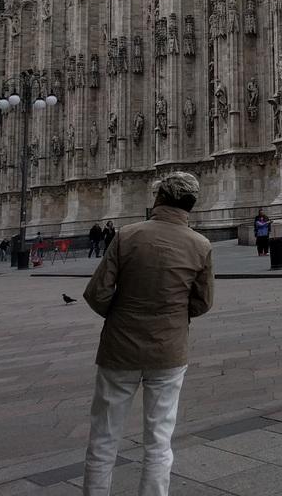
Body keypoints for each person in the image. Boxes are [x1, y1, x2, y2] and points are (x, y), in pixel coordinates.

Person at [81, 171, 214, 496]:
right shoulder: (200, 245)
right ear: (192, 204)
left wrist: (121, 318)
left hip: (119, 351)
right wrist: (172, 317)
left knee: (103, 438)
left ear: (158, 198)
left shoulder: (127, 235)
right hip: (168, 352)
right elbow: (202, 302)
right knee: (159, 441)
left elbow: (97, 293)